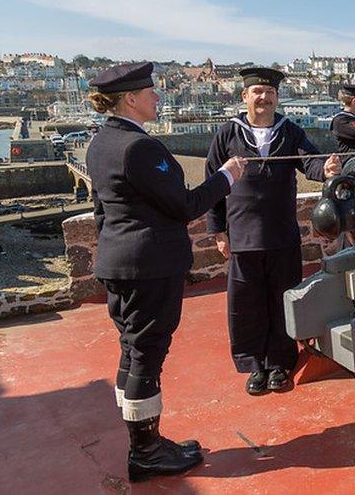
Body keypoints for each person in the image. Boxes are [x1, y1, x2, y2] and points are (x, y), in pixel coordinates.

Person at [85, 62, 247, 482]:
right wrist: (225, 177)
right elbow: (184, 206)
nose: (158, 97)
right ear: (130, 99)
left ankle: (148, 441)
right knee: (146, 356)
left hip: (120, 264)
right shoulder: (139, 149)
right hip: (149, 267)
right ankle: (145, 454)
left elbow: (104, 212)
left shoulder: (100, 142)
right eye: (151, 92)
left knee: (132, 349)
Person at [204, 67, 341, 395]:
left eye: (269, 93)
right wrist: (218, 231)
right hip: (242, 236)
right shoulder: (228, 134)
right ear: (245, 97)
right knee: (247, 304)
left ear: (277, 98)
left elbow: (310, 163)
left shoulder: (289, 131)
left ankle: (280, 363)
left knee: (282, 301)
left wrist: (327, 169)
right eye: (257, 93)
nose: (263, 98)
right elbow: (212, 183)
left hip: (281, 234)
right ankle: (254, 363)